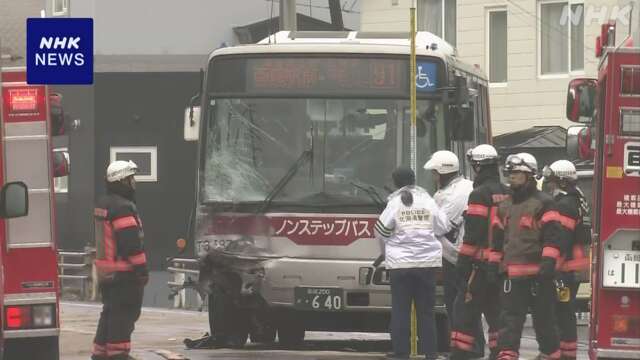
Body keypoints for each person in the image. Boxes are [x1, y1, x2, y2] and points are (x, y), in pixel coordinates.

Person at [493, 153, 568, 360]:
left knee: (544, 322)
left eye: (516, 173)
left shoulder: (544, 203)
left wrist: (547, 265)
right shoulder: (504, 206)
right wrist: (493, 268)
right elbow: (497, 241)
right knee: (509, 322)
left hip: (538, 278)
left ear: (529, 174)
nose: (511, 177)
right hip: (511, 278)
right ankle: (507, 355)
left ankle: (550, 355)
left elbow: (553, 238)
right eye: (509, 173)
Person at [375, 167, 450, 360]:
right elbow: (442, 227)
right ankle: (431, 354)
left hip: (400, 266)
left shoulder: (394, 202)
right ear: (414, 180)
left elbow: (381, 231)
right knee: (426, 312)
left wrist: (387, 253)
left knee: (400, 310)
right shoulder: (428, 200)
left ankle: (401, 353)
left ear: (395, 182)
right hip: (427, 265)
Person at [449, 144, 509, 360]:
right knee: (495, 314)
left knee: (463, 312)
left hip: (479, 267)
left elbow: (472, 235)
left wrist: (462, 268)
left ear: (478, 166)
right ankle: (498, 353)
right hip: (502, 267)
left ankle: (460, 355)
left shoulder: (479, 194)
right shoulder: (507, 192)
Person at [423, 150, 485, 356]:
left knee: (458, 305)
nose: (433, 177)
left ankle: (465, 350)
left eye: (434, 173)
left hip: (456, 257)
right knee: (469, 305)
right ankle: (473, 347)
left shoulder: (449, 195)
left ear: (442, 172)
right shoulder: (467, 186)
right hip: (469, 254)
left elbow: (439, 226)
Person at [92, 160, 149, 360]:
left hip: (107, 272)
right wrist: (141, 270)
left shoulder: (104, 204)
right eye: (131, 178)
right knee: (124, 315)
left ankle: (100, 354)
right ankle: (118, 354)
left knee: (109, 314)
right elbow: (131, 244)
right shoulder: (122, 207)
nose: (134, 183)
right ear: (123, 181)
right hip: (124, 273)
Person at [541, 160, 590, 359]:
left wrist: (552, 267)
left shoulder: (565, 205)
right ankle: (566, 353)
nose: (548, 185)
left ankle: (565, 354)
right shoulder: (577, 197)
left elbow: (560, 239)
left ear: (561, 182)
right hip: (574, 268)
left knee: (562, 311)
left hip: (565, 270)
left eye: (551, 181)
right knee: (564, 309)